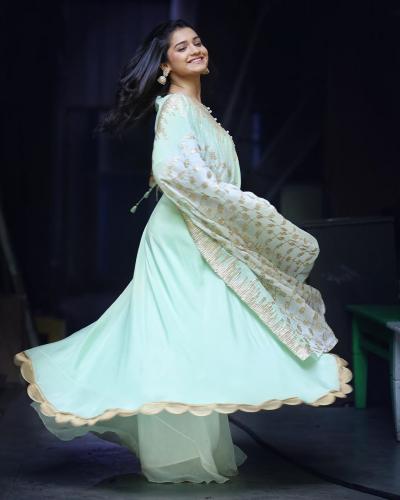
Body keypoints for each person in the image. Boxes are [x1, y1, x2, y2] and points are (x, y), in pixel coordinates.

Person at [14, 19, 353, 484]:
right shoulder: (175, 107)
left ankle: (196, 453)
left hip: (202, 233)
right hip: (182, 239)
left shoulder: (198, 110)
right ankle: (177, 457)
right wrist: (251, 209)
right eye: (181, 47)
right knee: (178, 339)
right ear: (164, 64)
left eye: (197, 42)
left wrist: (235, 208)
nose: (195, 49)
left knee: (199, 336)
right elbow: (176, 173)